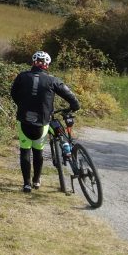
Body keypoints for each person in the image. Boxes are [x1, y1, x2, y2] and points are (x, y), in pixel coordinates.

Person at [10, 50, 80, 193]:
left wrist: (22, 105)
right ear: (47, 65)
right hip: (42, 122)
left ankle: (26, 184)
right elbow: (70, 96)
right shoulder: (53, 80)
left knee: (25, 151)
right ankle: (36, 181)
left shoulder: (22, 77)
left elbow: (13, 94)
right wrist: (74, 107)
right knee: (38, 151)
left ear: (33, 62)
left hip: (23, 119)